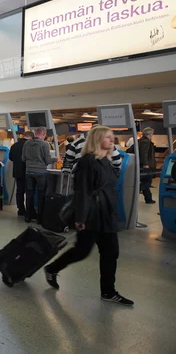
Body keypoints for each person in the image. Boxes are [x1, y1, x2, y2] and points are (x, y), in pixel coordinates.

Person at [44, 126, 134, 306]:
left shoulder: (106, 161)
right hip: (91, 215)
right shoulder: (87, 162)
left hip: (106, 214)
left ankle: (108, 291)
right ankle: (52, 268)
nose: (112, 141)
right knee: (81, 251)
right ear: (97, 139)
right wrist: (81, 218)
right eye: (108, 137)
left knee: (111, 253)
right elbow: (83, 191)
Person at [22, 126, 55, 223]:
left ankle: (28, 216)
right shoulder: (44, 144)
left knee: (29, 194)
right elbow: (48, 160)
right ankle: (40, 218)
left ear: (35, 133)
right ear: (44, 134)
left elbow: (23, 158)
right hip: (41, 172)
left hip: (28, 171)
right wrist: (56, 159)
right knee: (41, 194)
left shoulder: (27, 143)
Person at [9, 131, 33, 216]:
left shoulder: (14, 145)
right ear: (31, 137)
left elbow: (10, 158)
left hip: (17, 171)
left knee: (19, 191)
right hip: (28, 171)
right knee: (29, 191)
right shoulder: (30, 145)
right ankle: (30, 211)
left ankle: (21, 209)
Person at [138, 127, 156, 204]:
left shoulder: (140, 140)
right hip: (146, 165)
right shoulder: (146, 142)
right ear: (149, 134)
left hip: (143, 165)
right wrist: (146, 164)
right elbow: (144, 153)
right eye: (152, 134)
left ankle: (148, 199)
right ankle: (147, 198)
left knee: (145, 182)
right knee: (147, 182)